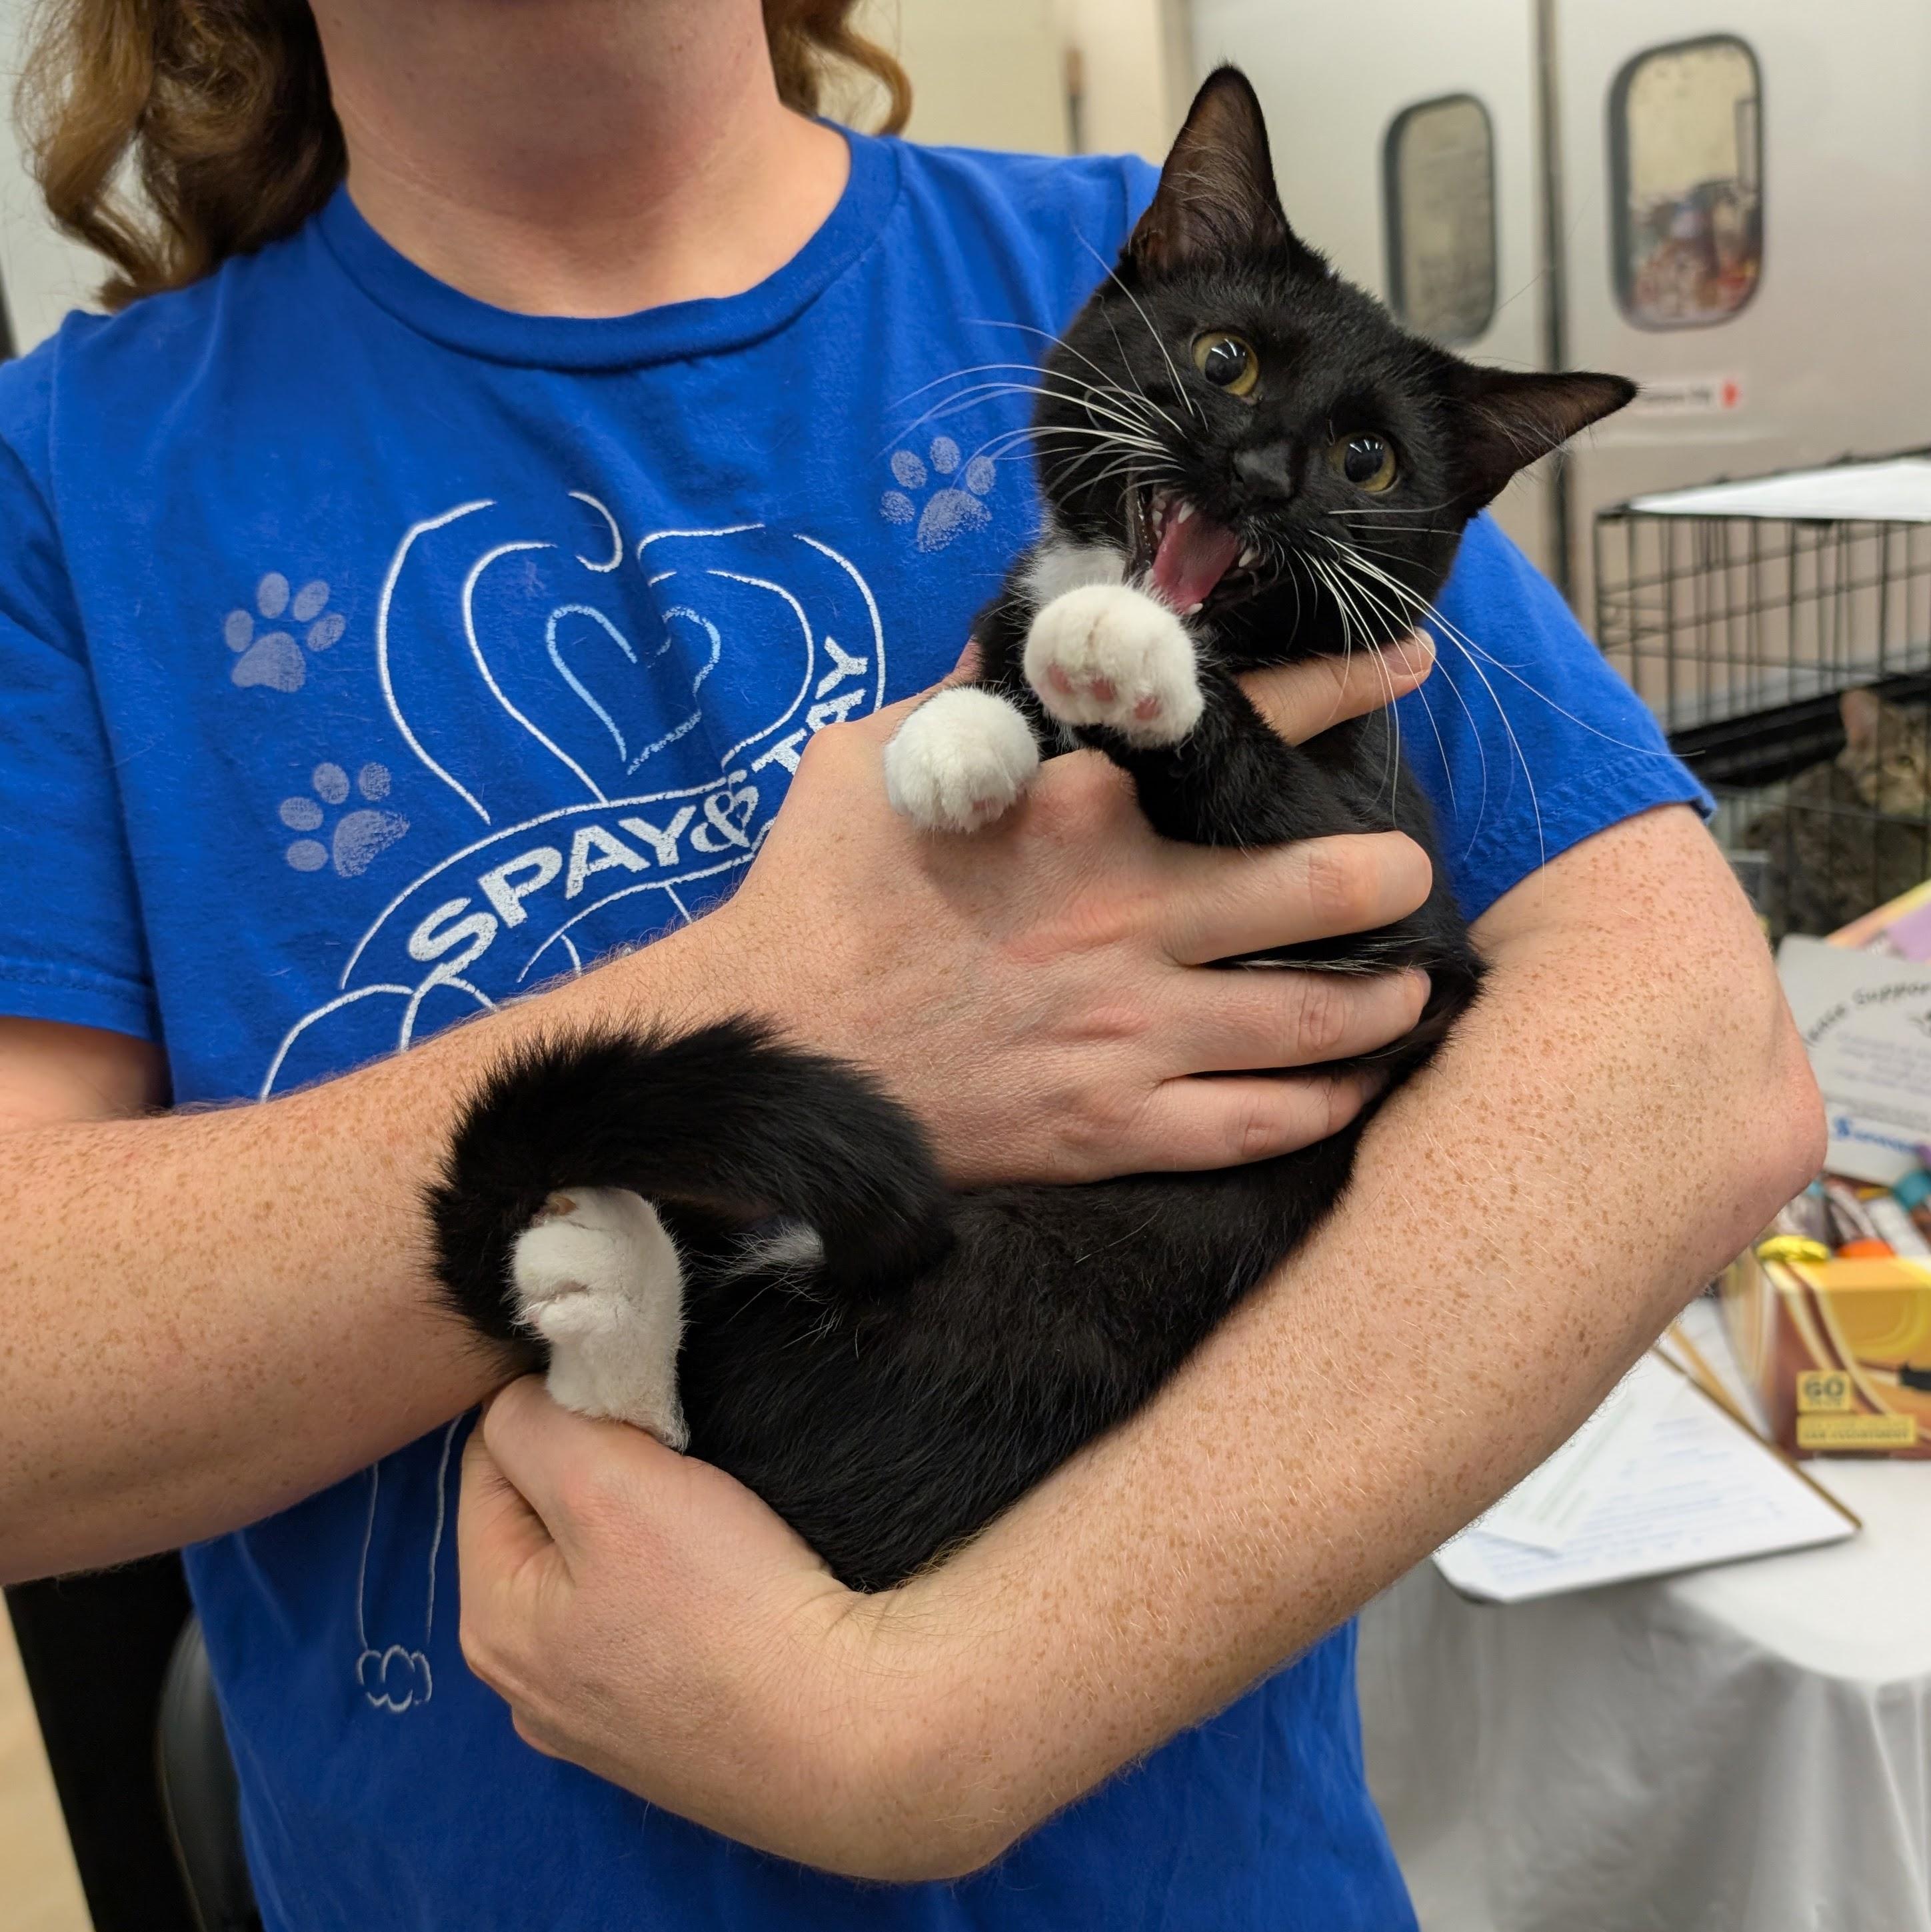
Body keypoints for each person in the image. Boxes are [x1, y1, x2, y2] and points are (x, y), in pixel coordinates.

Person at [0, 1, 1818, 1925]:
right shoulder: (66, 477)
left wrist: (930, 1713)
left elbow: (1690, 1058)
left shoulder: (1105, 265)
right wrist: (799, 1017)